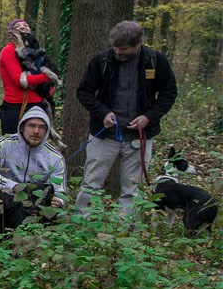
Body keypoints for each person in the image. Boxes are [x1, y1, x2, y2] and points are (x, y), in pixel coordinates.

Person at [74, 20, 177, 216]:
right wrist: (103, 112)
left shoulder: (156, 61)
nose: (118, 52)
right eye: (115, 47)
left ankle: (126, 231)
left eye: (124, 48)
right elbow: (84, 92)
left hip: (139, 137)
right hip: (104, 135)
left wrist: (148, 117)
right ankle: (80, 224)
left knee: (132, 189)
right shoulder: (102, 60)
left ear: (138, 44)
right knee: (90, 183)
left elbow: (169, 94)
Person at [0, 107, 66, 229]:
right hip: (6, 197)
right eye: (31, 125)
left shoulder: (55, 157)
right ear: (22, 127)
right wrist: (13, 186)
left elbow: (60, 190)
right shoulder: (4, 143)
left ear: (47, 131)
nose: (36, 131)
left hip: (35, 203)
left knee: (63, 218)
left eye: (42, 127)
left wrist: (58, 200)